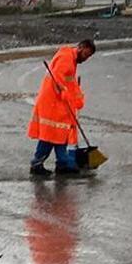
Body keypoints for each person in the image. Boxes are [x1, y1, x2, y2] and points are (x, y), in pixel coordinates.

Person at [28, 39, 96, 176]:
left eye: (88, 57)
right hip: (52, 103)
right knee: (51, 134)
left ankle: (62, 164)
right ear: (81, 47)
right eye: (85, 55)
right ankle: (38, 164)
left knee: (60, 134)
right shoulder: (66, 58)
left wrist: (77, 96)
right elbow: (57, 80)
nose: (85, 59)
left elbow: (68, 81)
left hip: (56, 102)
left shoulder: (70, 59)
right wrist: (64, 93)